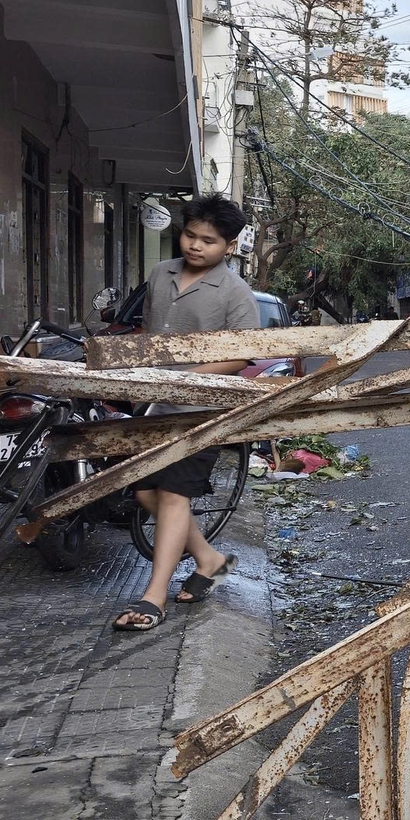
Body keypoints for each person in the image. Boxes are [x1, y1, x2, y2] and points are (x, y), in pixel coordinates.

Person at [113, 196, 262, 631]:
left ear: (229, 247)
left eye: (209, 241)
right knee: (145, 493)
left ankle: (152, 597)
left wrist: (189, 376)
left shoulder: (236, 293)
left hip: (201, 411)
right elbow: (148, 332)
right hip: (153, 406)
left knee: (175, 495)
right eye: (190, 236)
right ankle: (210, 560)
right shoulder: (161, 273)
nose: (196, 246)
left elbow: (245, 354)